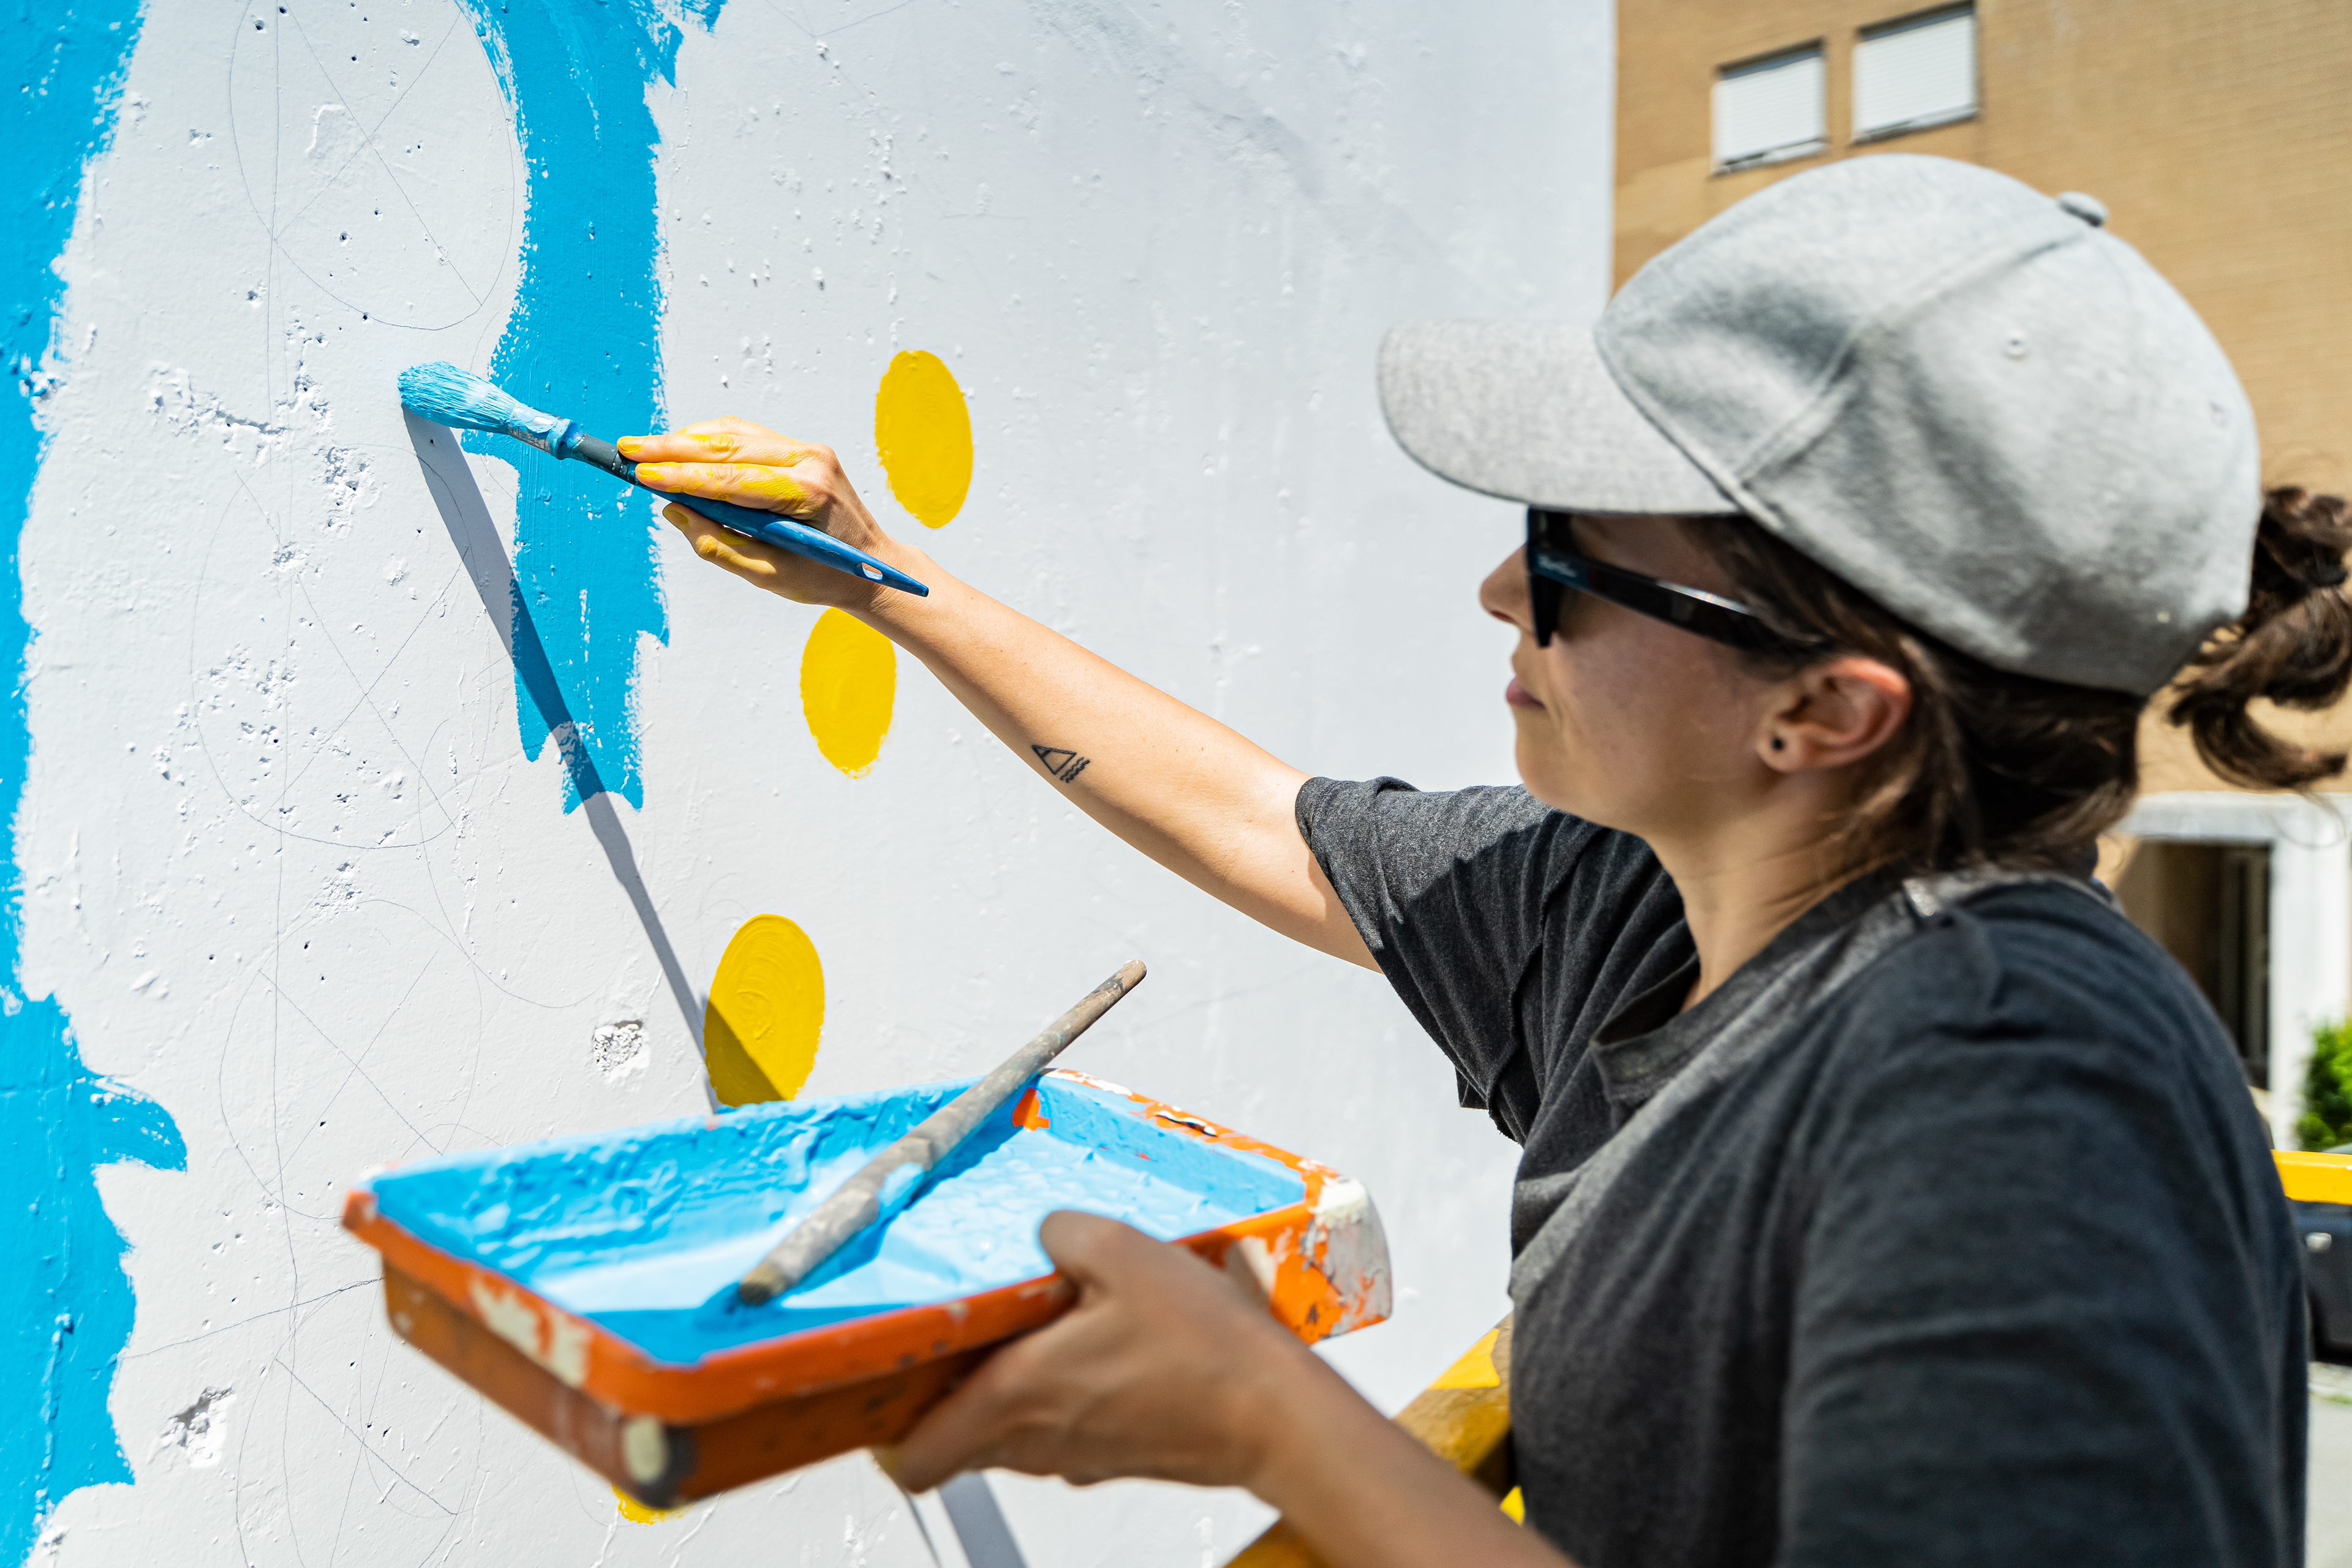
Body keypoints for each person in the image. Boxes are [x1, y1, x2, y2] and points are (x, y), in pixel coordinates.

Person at [621, 156, 2326, 1566]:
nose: (1501, 591)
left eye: (1566, 555)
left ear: (1824, 708)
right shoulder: (1648, 900)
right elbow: (1264, 824)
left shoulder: (2012, 1098)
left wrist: (1271, 1424)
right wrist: (881, 576)